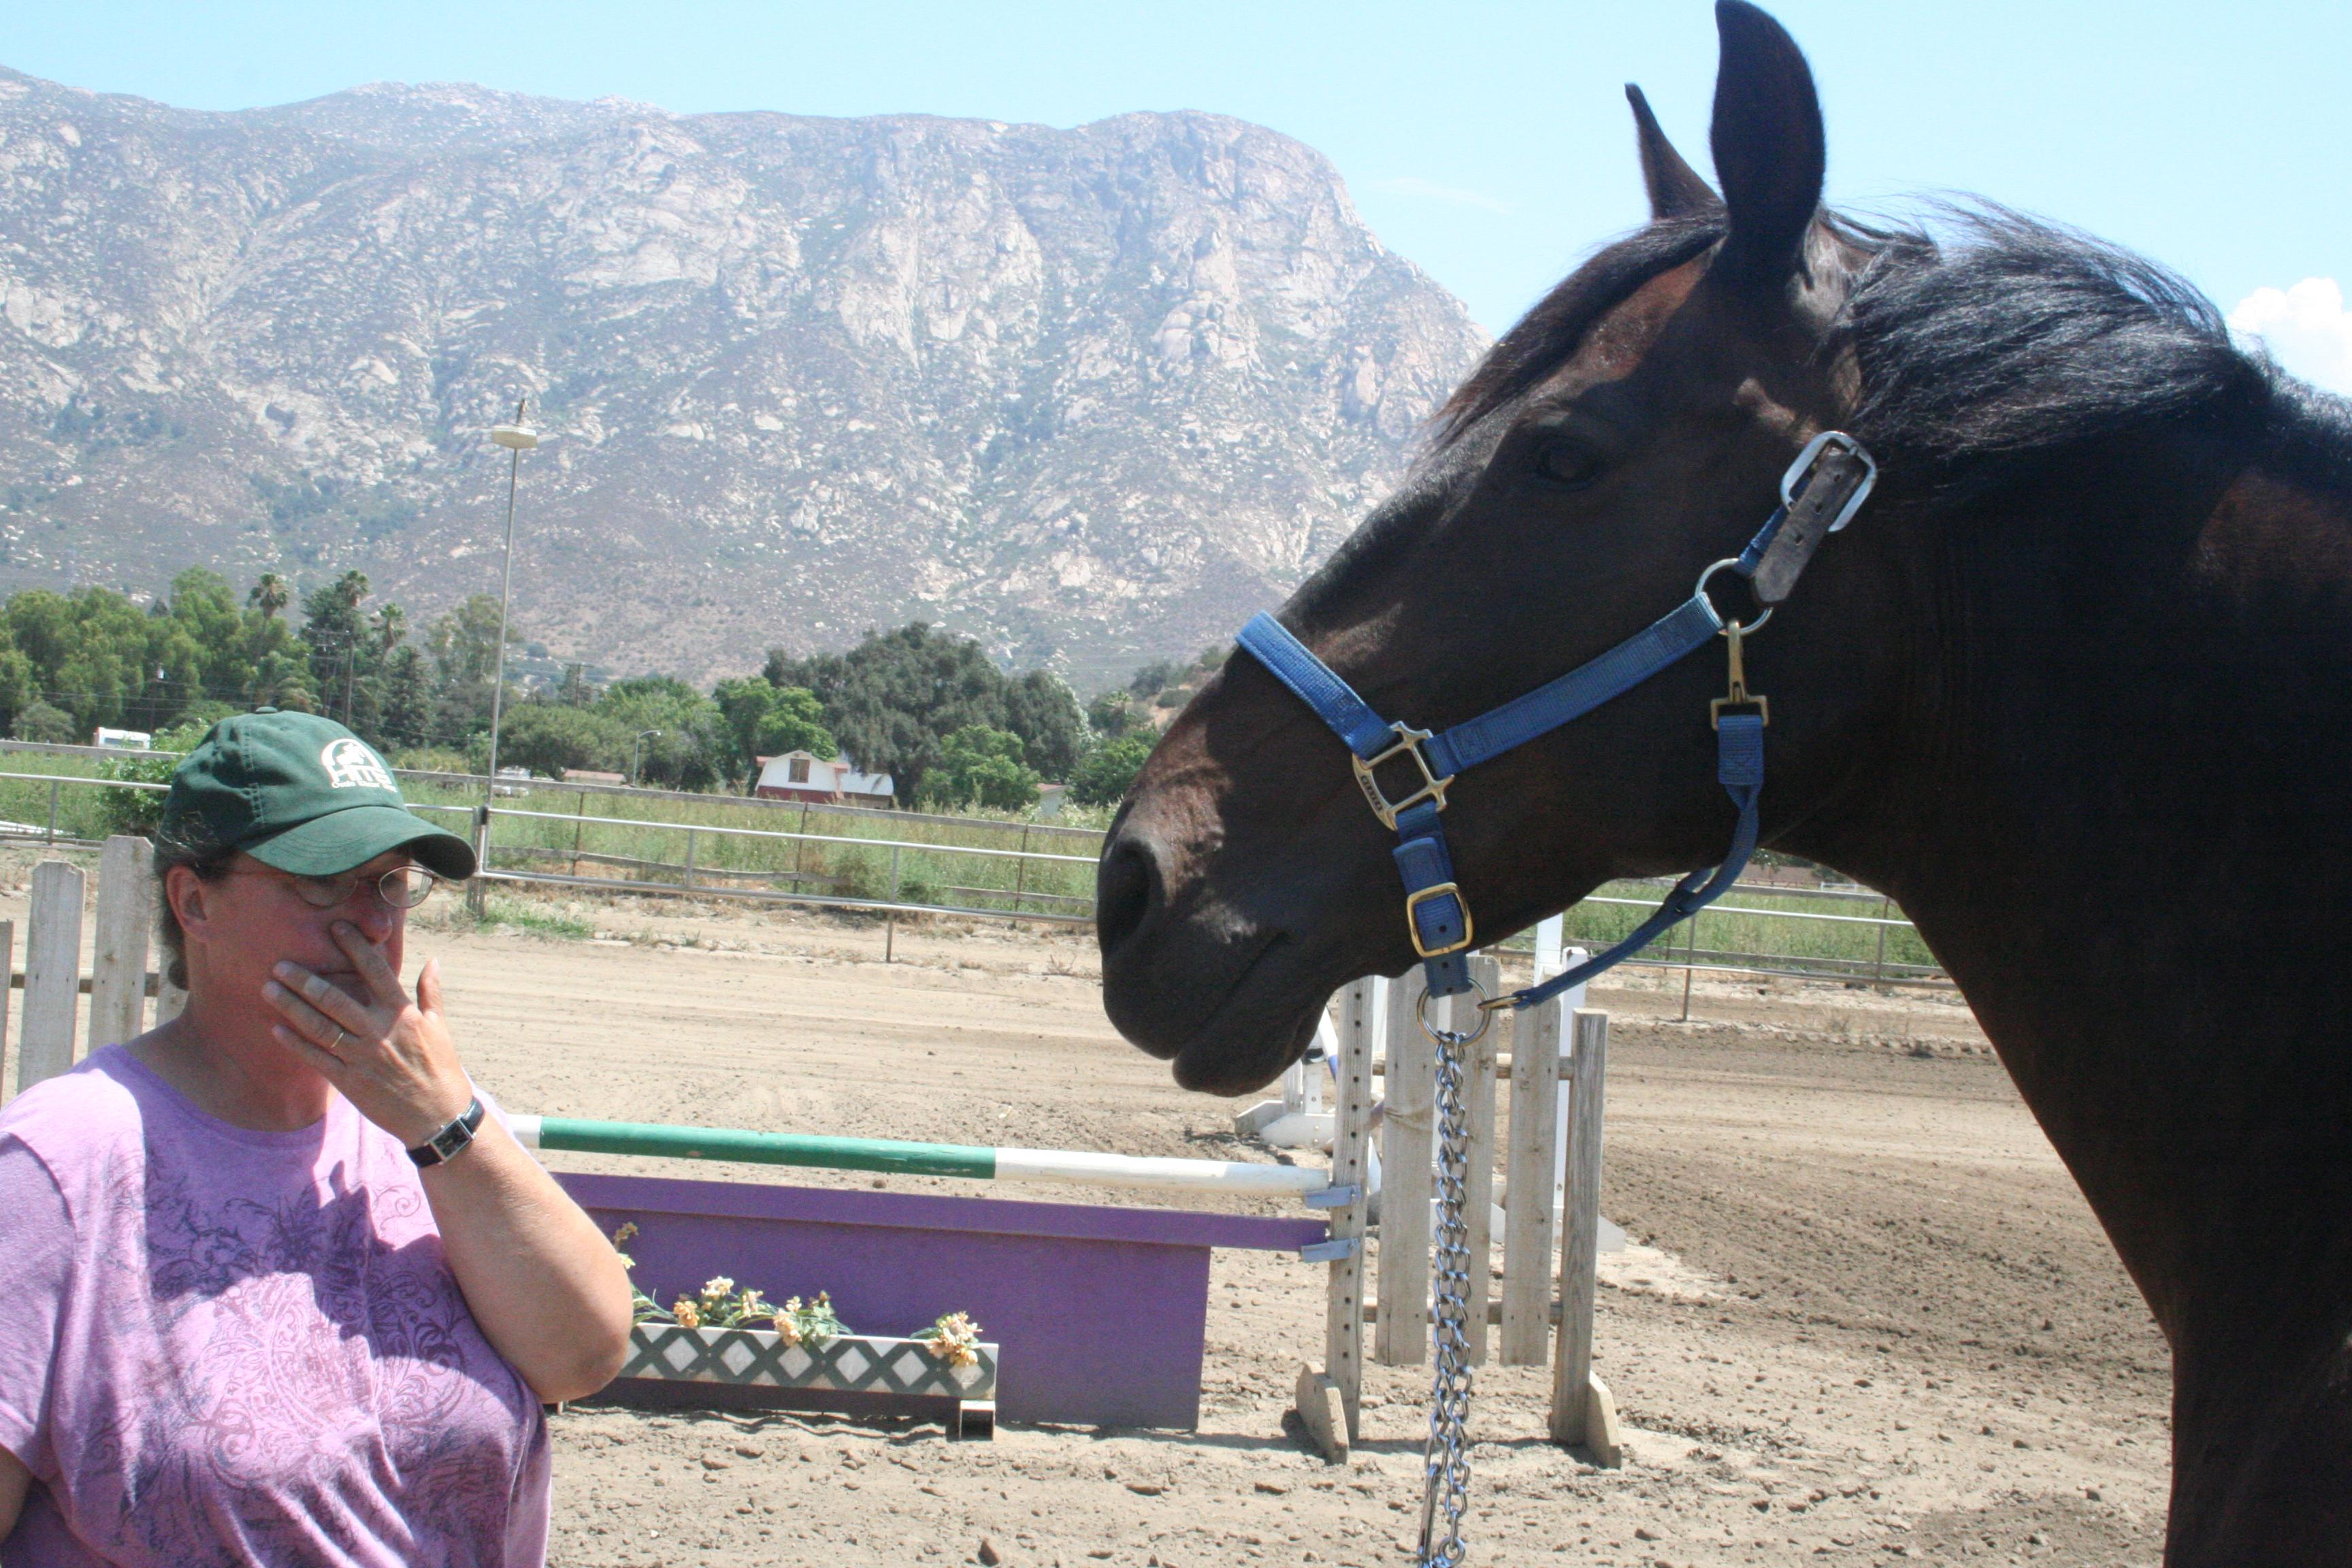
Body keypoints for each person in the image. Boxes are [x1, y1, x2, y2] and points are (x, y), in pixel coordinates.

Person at [0, 710, 633, 1565]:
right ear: (194, 902)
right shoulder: (62, 1164)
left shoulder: (437, 1123)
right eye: (319, 883)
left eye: (388, 883)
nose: (368, 922)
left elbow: (583, 1355)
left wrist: (445, 1128)